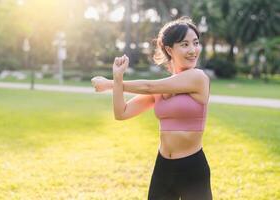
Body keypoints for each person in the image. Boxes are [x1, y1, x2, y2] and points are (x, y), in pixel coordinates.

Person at [91, 16, 212, 200]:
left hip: (192, 167)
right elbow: (121, 113)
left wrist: (109, 84)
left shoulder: (198, 78)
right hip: (163, 167)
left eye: (195, 43)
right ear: (170, 49)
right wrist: (117, 79)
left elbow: (150, 87)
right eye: (185, 44)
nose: (193, 50)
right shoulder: (163, 88)